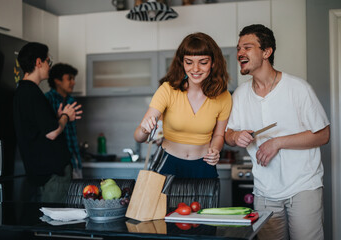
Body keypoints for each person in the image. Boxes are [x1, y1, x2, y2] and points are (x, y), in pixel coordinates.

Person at [225, 24, 330, 239]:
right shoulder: (240, 95)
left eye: (247, 47)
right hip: (264, 192)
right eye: (238, 48)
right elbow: (228, 134)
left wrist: (277, 142)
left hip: (303, 188)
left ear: (266, 52)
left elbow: (323, 134)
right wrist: (235, 136)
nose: (240, 54)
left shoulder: (298, 88)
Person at [134, 32, 232, 178]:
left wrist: (216, 150)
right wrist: (144, 129)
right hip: (167, 163)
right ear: (182, 62)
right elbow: (139, 136)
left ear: (213, 63)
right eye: (189, 62)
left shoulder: (224, 96)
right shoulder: (168, 90)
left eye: (203, 62)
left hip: (204, 165)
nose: (195, 69)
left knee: (203, 202)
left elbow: (218, 135)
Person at [14, 42, 82, 203]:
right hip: (53, 172)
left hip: (40, 171)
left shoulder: (22, 92)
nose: (49, 67)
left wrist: (57, 117)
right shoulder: (33, 94)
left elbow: (40, 128)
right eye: (47, 62)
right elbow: (52, 133)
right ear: (38, 63)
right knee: (54, 223)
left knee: (45, 221)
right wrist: (66, 115)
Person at [45, 63, 83, 179]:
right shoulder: (47, 99)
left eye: (73, 79)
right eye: (69, 78)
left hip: (74, 158)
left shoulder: (71, 100)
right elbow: (48, 130)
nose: (73, 82)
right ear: (57, 81)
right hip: (57, 162)